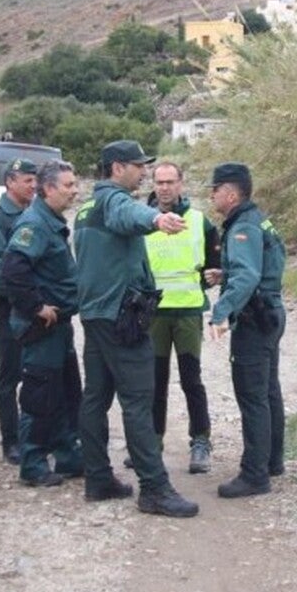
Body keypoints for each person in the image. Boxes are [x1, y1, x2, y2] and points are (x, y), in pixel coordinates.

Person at [73, 140, 199, 518]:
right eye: (137, 166)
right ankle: (154, 488)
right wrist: (157, 220)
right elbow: (127, 214)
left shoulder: (85, 208)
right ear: (116, 168)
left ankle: (97, 478)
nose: (143, 173)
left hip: (96, 315)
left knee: (95, 397)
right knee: (139, 401)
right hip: (119, 318)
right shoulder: (113, 200)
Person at [206, 162, 288, 498]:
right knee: (268, 391)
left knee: (252, 396)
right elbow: (260, 267)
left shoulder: (243, 226)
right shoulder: (257, 220)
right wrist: (224, 275)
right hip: (270, 312)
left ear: (230, 192)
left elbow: (248, 275)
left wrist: (221, 312)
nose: (212, 195)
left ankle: (254, 475)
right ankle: (271, 461)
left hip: (255, 320)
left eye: (215, 189)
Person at [0, 160, 84, 487]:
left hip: (60, 326)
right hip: (42, 329)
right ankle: (33, 463)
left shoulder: (51, 221)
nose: (74, 190)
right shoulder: (34, 224)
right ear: (48, 189)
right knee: (39, 395)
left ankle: (67, 455)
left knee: (65, 392)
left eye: (75, 184)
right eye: (68, 185)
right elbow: (12, 270)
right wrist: (36, 307)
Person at [142, 162, 220, 474]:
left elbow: (216, 264)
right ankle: (152, 442)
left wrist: (217, 275)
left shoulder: (200, 222)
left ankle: (200, 442)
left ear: (181, 184)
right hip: (154, 315)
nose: (164, 188)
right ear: (153, 184)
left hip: (187, 313)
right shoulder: (142, 220)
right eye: (159, 182)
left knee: (191, 380)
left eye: (170, 182)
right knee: (154, 382)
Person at [0, 157, 39, 465]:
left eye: (35, 180)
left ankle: (37, 435)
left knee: (39, 374)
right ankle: (11, 441)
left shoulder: (35, 215)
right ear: (11, 181)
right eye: (27, 180)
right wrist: (27, 296)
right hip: (11, 310)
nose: (33, 186)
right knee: (10, 376)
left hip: (37, 312)